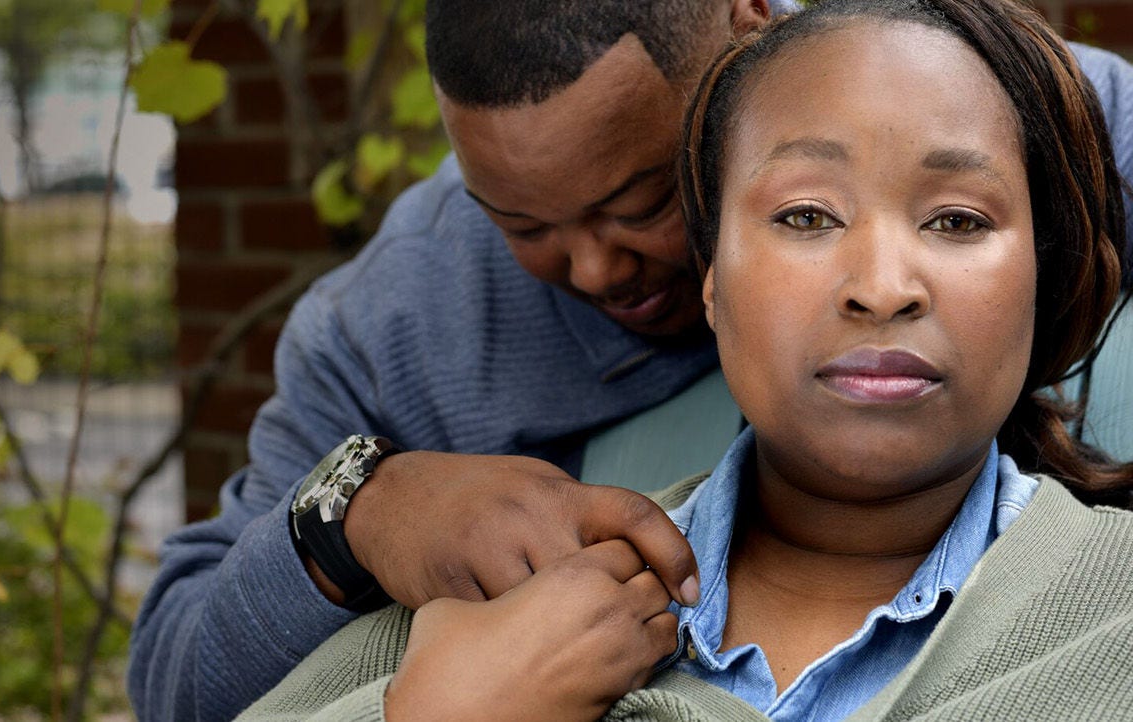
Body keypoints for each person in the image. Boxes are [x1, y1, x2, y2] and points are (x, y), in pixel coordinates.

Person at [126, 0, 1133, 718]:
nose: (598, 266)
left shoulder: (975, 89)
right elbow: (182, 677)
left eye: (644, 199)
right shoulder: (395, 325)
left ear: (751, 27)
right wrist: (363, 510)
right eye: (523, 226)